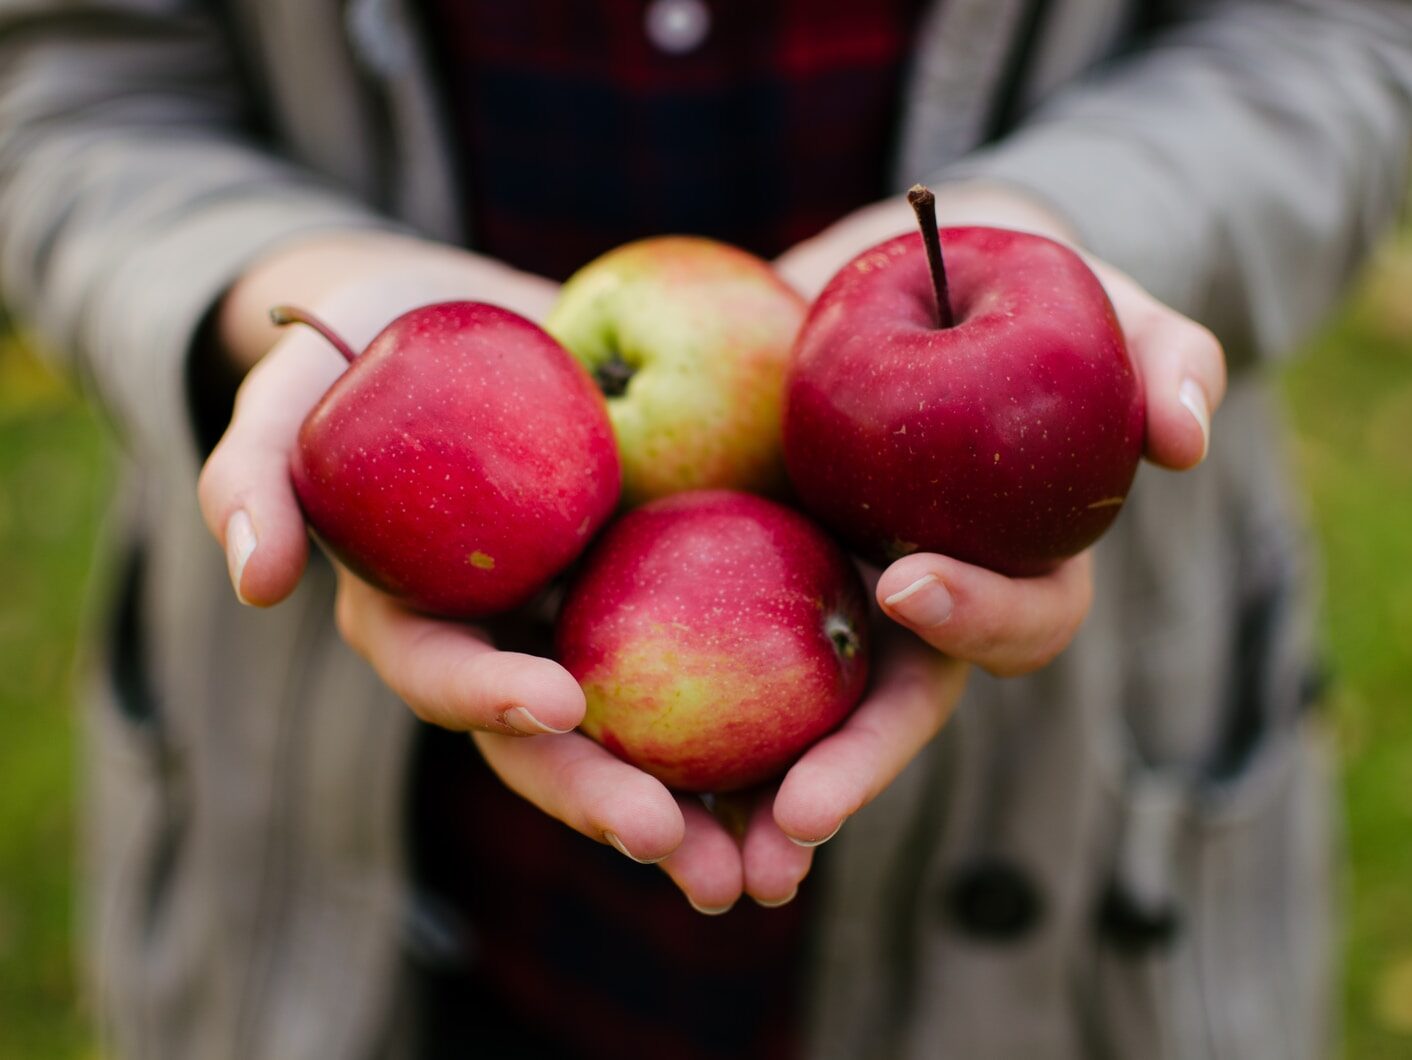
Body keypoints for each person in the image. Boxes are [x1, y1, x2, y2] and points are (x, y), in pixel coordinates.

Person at [1, 0, 1409, 1056]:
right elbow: (67, 84)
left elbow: (1332, 35)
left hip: (1062, 836)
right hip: (370, 860)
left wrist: (1069, 225)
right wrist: (267, 282)